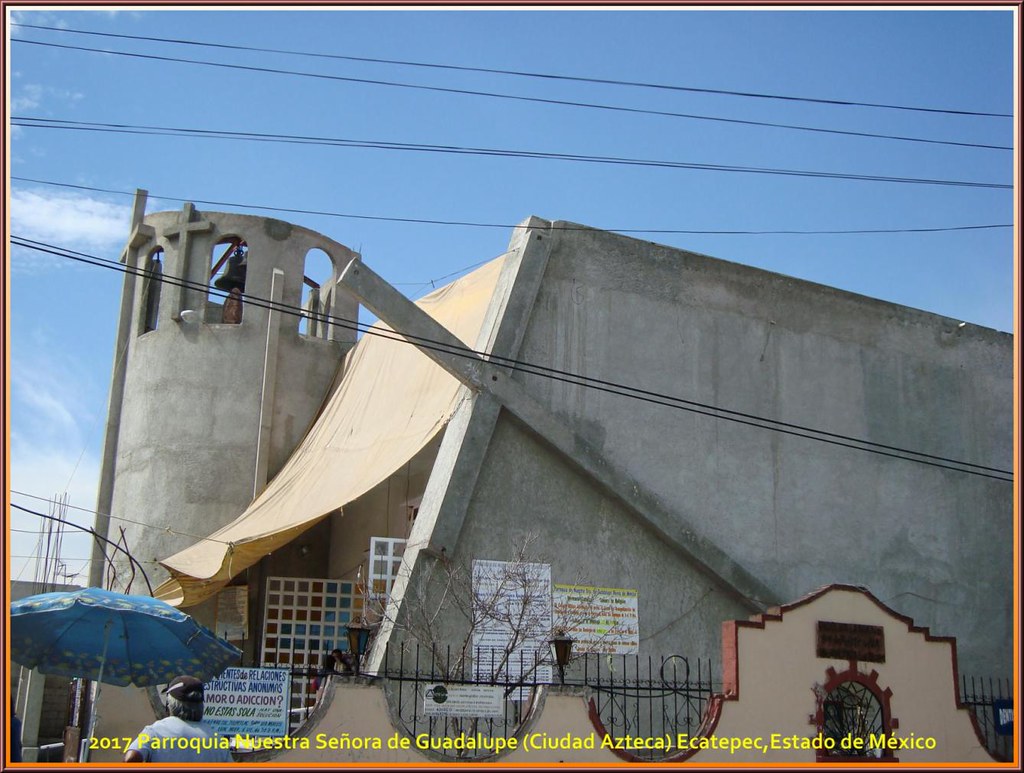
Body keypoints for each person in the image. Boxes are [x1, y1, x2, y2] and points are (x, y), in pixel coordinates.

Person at [124, 675, 232, 763]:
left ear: (170, 703)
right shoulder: (217, 739)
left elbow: (131, 759)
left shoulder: (155, 731)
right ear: (201, 705)